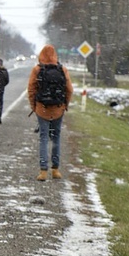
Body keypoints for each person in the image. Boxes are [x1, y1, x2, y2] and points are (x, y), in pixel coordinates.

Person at [28, 44, 74, 181]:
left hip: (42, 108)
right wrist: (65, 104)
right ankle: (55, 169)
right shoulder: (62, 70)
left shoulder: (37, 70)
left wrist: (34, 106)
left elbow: (31, 90)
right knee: (56, 138)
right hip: (58, 108)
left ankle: (43, 171)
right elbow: (70, 89)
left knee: (43, 138)